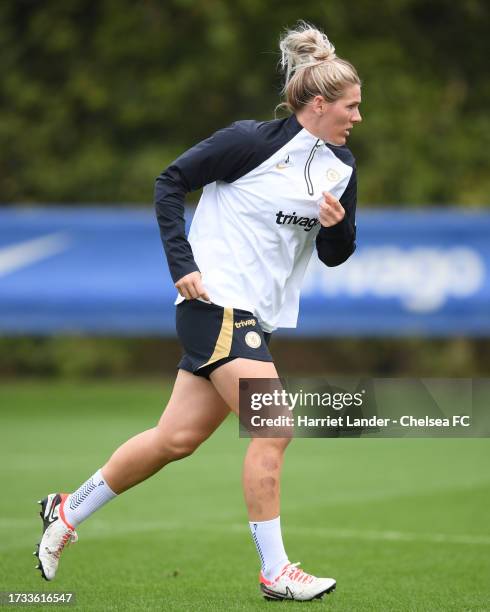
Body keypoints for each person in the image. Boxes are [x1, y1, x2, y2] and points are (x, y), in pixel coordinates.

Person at [34, 21, 362, 602]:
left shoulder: (341, 168)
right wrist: (181, 264)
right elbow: (170, 182)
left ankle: (66, 508)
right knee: (275, 426)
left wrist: (340, 228)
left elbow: (335, 256)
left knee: (173, 439)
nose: (358, 117)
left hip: (250, 318)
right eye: (351, 107)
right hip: (213, 306)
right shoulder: (251, 142)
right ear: (318, 104)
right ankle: (276, 572)